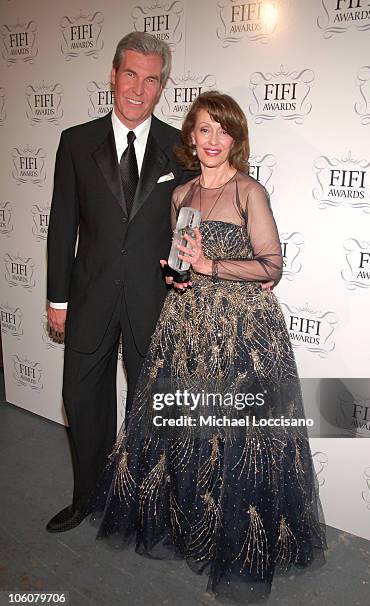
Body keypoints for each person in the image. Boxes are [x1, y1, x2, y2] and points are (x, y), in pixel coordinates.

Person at [88, 91, 327, 602]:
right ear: (190, 139)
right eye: (203, 130)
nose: (213, 140)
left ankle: (238, 542)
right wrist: (179, 275)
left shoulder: (248, 192)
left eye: (223, 130)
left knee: (238, 440)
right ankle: (189, 527)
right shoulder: (180, 195)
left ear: (235, 139)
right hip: (188, 325)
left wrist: (210, 267)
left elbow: (271, 266)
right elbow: (182, 258)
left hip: (241, 331)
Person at [46, 32, 190, 533]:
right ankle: (86, 497)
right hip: (89, 295)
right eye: (130, 74)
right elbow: (62, 224)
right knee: (83, 400)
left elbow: (188, 223)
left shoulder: (181, 148)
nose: (138, 89)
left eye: (151, 80)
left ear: (161, 86)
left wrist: (187, 275)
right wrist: (57, 298)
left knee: (150, 406)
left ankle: (142, 507)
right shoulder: (76, 141)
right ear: (113, 74)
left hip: (154, 299)